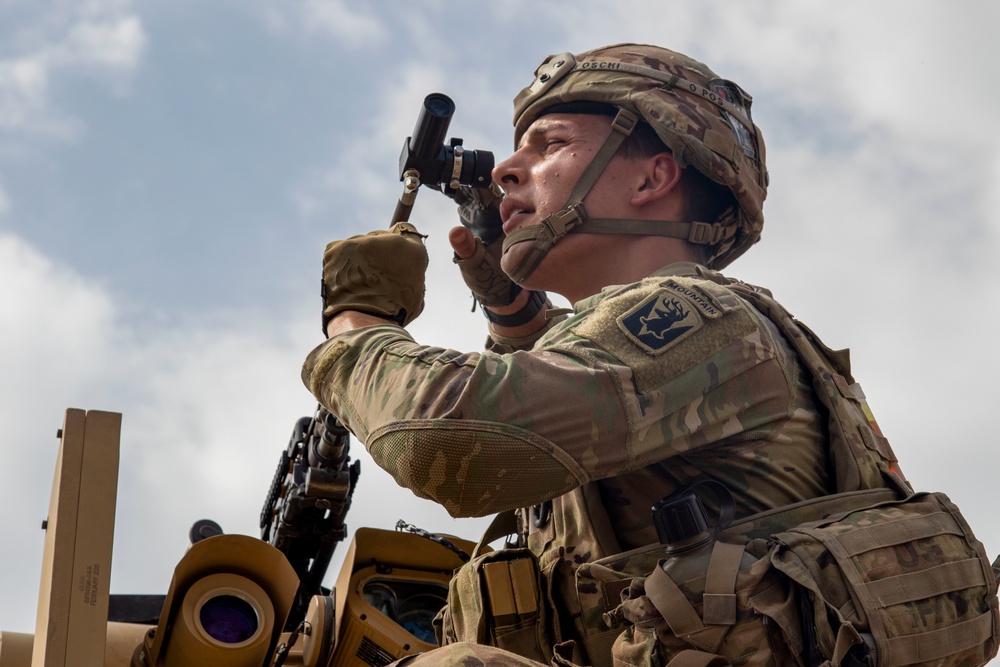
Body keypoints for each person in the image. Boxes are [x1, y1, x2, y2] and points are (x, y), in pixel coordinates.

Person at [302, 44, 905, 667]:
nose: (507, 168)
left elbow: (446, 443)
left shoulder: (701, 318)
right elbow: (582, 389)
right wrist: (515, 315)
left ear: (652, 178)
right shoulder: (685, 332)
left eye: (550, 144)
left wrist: (358, 324)